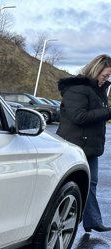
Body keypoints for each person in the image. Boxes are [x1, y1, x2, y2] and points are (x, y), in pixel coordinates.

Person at [57, 54, 111, 233]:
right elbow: (78, 117)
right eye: (105, 76)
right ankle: (61, 222)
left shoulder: (98, 90)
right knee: (66, 186)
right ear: (97, 70)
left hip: (90, 147)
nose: (107, 79)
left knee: (91, 183)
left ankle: (92, 221)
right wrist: (107, 112)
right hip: (74, 146)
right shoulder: (78, 89)